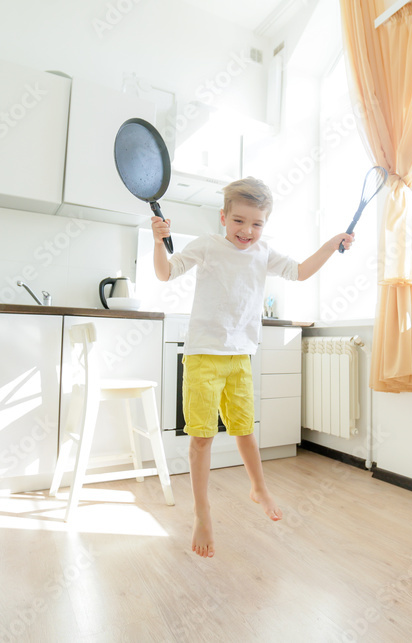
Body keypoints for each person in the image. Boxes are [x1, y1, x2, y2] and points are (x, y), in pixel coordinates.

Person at [151, 176, 355, 558]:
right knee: (202, 438)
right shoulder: (207, 246)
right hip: (203, 356)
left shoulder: (263, 253)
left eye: (257, 223)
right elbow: (165, 273)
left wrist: (331, 244)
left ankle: (259, 488)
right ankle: (202, 512)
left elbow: (300, 271)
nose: (247, 230)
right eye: (239, 221)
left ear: (265, 224)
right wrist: (158, 241)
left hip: (240, 357)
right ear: (223, 217)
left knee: (245, 430)